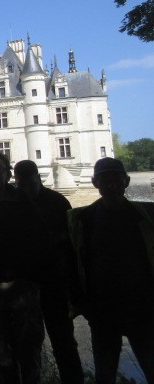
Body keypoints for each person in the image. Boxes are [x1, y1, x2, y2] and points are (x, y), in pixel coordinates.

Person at [68, 157, 154, 384]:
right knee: (105, 374)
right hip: (103, 309)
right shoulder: (81, 220)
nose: (112, 186)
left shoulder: (147, 216)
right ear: (95, 183)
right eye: (106, 181)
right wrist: (82, 303)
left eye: (116, 180)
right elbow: (74, 263)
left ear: (126, 181)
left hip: (142, 308)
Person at [0, 152, 52, 384]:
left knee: (29, 346)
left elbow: (40, 240)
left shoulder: (23, 201)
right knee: (1, 347)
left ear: (8, 173)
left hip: (22, 285)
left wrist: (33, 278)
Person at [13, 160, 83, 384]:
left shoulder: (55, 202)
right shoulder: (20, 202)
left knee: (62, 342)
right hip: (29, 285)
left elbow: (72, 244)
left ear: (37, 177)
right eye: (21, 182)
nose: (25, 187)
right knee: (31, 344)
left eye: (28, 181)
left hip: (53, 284)